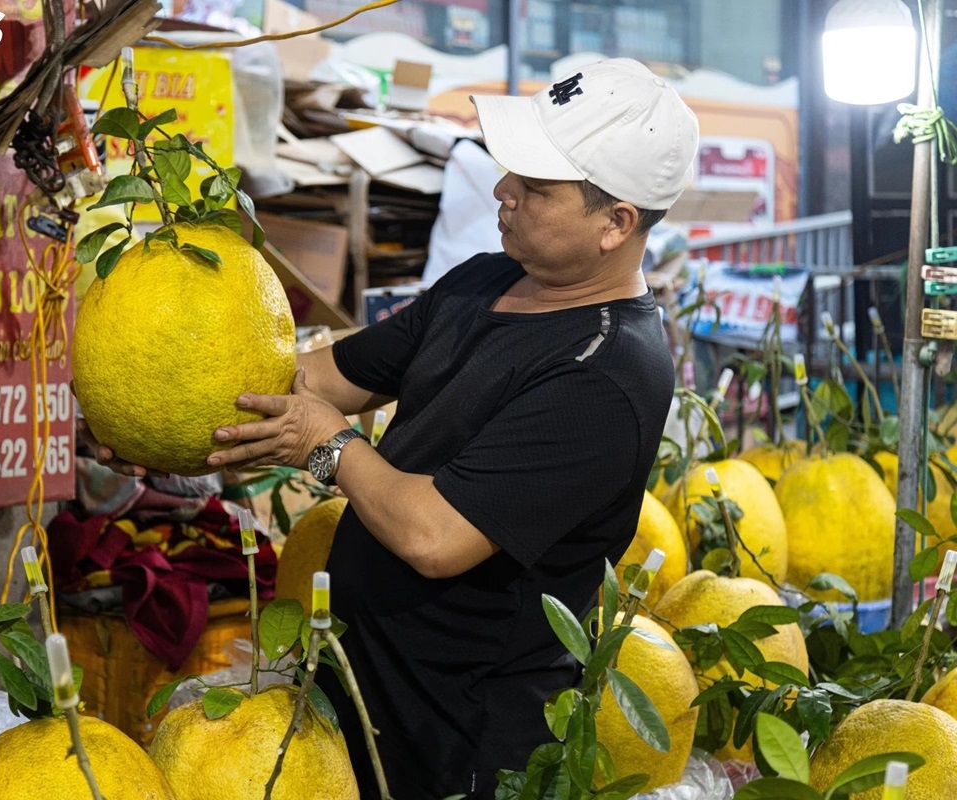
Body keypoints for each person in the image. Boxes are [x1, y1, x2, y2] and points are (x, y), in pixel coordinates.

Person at [85, 57, 698, 800]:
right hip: (362, 687)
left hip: (464, 735)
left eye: (534, 188)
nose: (502, 192)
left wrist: (330, 447)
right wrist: (165, 423)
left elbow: (437, 538)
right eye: (512, 173)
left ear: (616, 223)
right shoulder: (484, 281)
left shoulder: (608, 372)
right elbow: (314, 377)